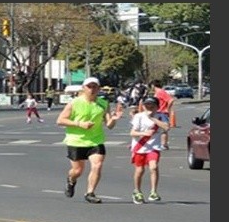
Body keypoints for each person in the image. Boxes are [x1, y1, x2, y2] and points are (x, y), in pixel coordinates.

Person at [56, 76, 124, 204]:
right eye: (89, 87)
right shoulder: (74, 103)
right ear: (83, 88)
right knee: (77, 171)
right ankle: (71, 180)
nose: (92, 89)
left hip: (96, 140)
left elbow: (109, 125)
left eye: (94, 87)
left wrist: (114, 118)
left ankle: (90, 193)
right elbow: (60, 120)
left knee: (97, 165)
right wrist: (79, 124)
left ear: (98, 89)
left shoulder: (103, 104)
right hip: (76, 140)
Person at [128, 97, 169, 204]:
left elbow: (166, 127)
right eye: (147, 105)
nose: (149, 107)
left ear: (157, 106)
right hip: (140, 146)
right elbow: (132, 132)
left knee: (153, 167)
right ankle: (137, 191)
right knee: (140, 170)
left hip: (153, 147)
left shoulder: (161, 116)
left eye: (152, 105)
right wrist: (144, 133)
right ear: (143, 106)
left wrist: (153, 118)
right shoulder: (139, 116)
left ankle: (153, 192)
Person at [149, 79, 174, 150]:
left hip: (162, 112)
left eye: (150, 86)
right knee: (154, 128)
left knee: (163, 129)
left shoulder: (160, 92)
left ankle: (164, 144)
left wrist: (167, 109)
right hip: (157, 112)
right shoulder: (157, 92)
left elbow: (171, 100)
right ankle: (156, 143)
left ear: (153, 85)